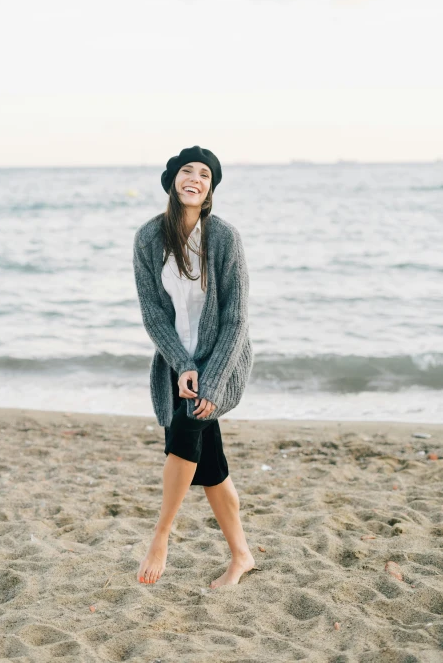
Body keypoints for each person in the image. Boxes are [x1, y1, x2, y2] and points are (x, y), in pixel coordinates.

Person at [132, 145, 255, 588]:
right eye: (189, 171)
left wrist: (212, 379)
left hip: (219, 363)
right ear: (173, 180)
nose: (197, 179)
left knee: (185, 437)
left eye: (206, 175)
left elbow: (236, 318)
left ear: (210, 189)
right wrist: (182, 363)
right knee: (210, 467)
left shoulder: (224, 238)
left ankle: (160, 537)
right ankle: (241, 556)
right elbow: (154, 315)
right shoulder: (148, 239)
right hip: (175, 365)